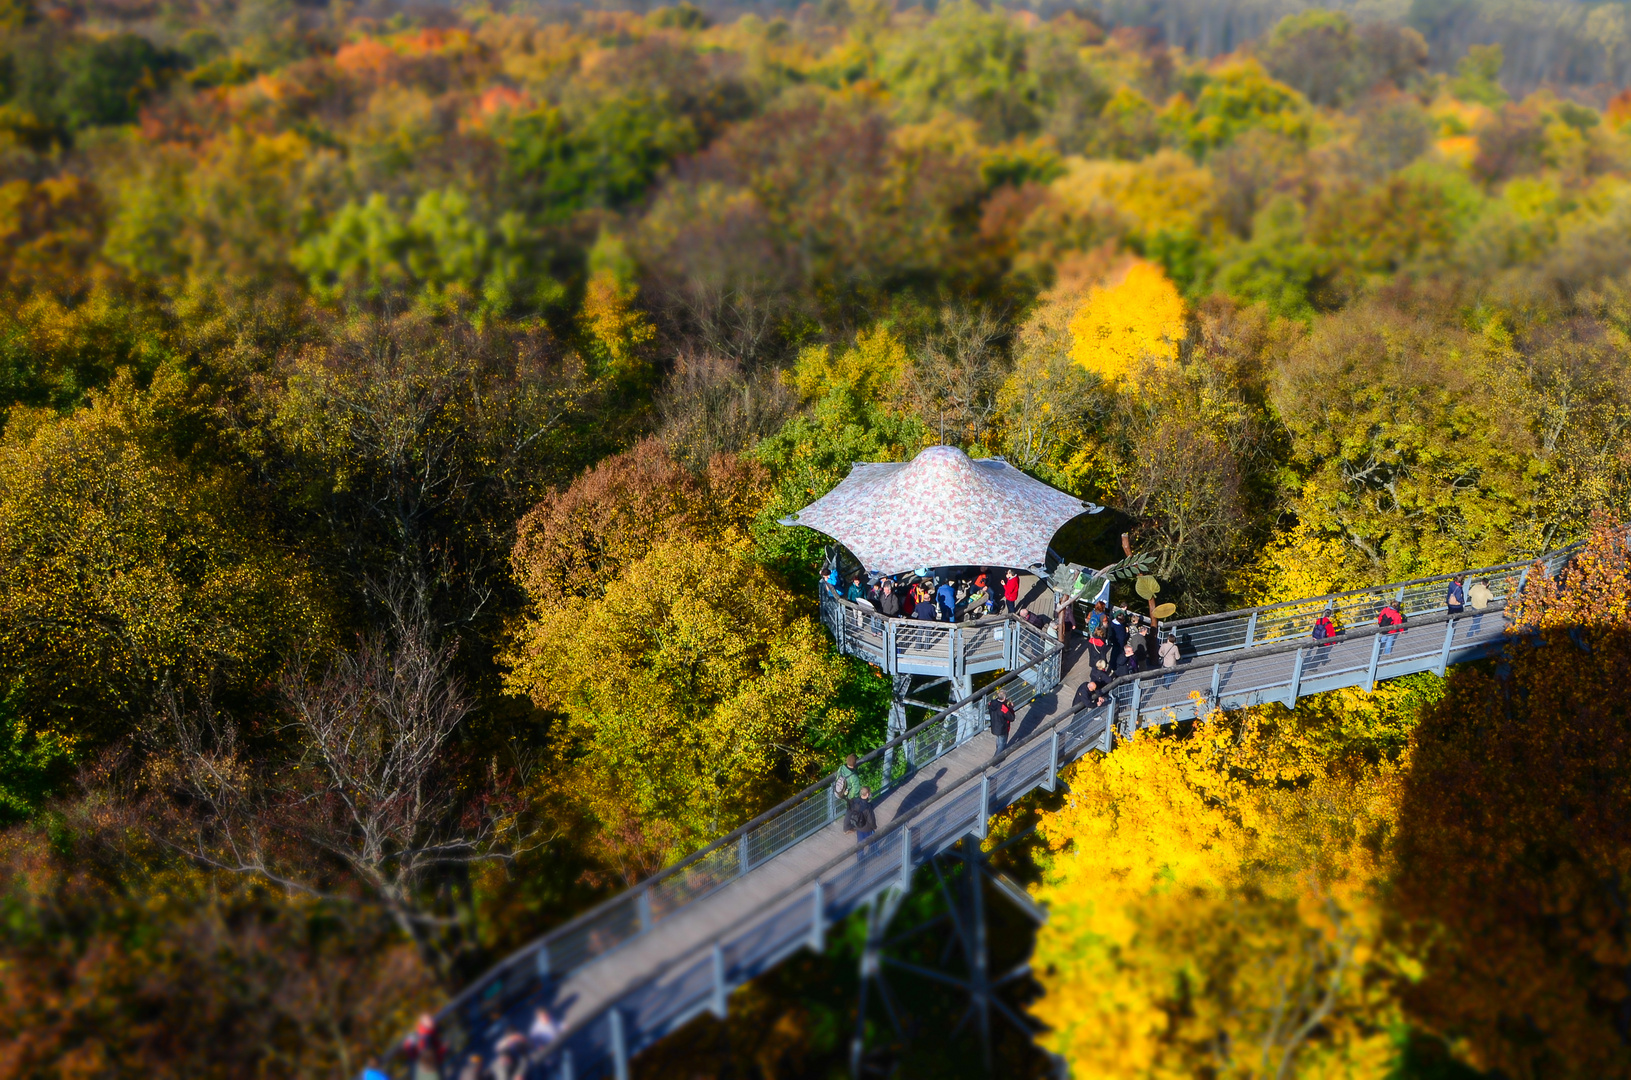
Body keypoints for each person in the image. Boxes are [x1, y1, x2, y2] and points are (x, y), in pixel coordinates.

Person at [401, 1014, 445, 1079]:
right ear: (423, 1023)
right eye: (429, 1020)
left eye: (430, 1019)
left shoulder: (430, 1032)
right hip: (430, 1066)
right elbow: (429, 1054)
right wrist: (443, 1049)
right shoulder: (424, 1037)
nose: (432, 1021)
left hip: (431, 1064)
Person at [988, 689, 1014, 754]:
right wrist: (1011, 708)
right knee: (1002, 744)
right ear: (1004, 698)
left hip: (994, 726)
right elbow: (1012, 718)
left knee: (998, 740)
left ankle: (999, 754)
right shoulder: (1003, 707)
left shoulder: (992, 703)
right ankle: (996, 759)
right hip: (1002, 728)